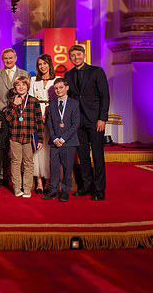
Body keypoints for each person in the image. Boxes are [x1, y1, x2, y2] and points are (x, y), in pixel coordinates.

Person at [66, 45, 110, 201]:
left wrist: (102, 118)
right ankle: (85, 187)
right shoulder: (68, 75)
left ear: (84, 55)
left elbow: (105, 96)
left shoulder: (97, 71)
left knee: (97, 156)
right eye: (73, 55)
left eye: (78, 54)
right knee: (83, 156)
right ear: (69, 58)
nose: (76, 57)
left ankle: (99, 189)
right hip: (78, 121)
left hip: (95, 120)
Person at [0, 48, 29, 187]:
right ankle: (1, 176)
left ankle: (19, 178)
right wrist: (6, 109)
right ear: (2, 59)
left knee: (19, 149)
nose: (8, 60)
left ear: (16, 58)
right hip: (3, 114)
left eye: (11, 58)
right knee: (2, 146)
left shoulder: (24, 74)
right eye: (5, 58)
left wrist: (16, 108)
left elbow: (26, 95)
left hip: (20, 116)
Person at [4, 76, 44, 198]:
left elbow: (39, 122)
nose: (21, 87)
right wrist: (15, 106)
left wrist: (40, 139)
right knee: (16, 162)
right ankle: (17, 188)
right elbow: (8, 119)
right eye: (18, 85)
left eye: (23, 85)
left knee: (28, 163)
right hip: (15, 136)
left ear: (27, 87)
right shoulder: (11, 100)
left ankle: (27, 188)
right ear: (15, 88)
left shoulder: (33, 101)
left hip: (28, 137)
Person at [43, 78, 80, 202]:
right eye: (56, 88)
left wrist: (63, 139)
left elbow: (75, 124)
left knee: (67, 168)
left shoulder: (74, 103)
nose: (58, 90)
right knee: (53, 168)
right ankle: (53, 191)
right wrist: (54, 139)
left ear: (67, 88)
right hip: (54, 143)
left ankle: (65, 191)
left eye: (61, 87)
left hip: (69, 142)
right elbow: (50, 124)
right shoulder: (52, 104)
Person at [29, 54, 55, 194]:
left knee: (49, 148)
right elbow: (31, 99)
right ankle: (39, 181)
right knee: (38, 148)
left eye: (44, 63)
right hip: (37, 115)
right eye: (40, 64)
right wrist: (39, 115)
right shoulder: (33, 80)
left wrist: (48, 114)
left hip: (52, 116)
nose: (42, 66)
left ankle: (49, 180)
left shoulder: (56, 80)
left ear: (49, 64)